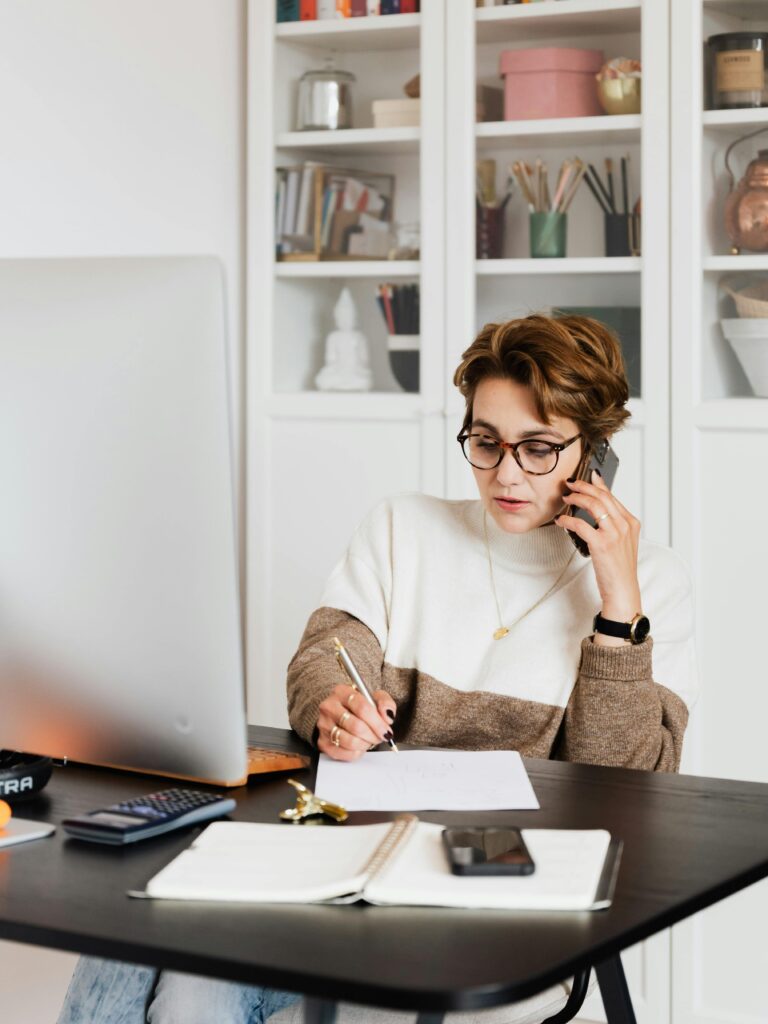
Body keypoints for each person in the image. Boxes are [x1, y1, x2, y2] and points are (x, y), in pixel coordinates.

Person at [57, 314, 696, 1024]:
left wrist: (617, 610)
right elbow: (327, 654)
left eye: (539, 448)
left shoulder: (648, 584)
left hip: (502, 906)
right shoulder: (404, 528)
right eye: (485, 441)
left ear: (596, 451)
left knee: (184, 972)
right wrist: (332, 704)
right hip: (347, 867)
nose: (506, 473)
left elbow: (624, 791)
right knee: (161, 934)